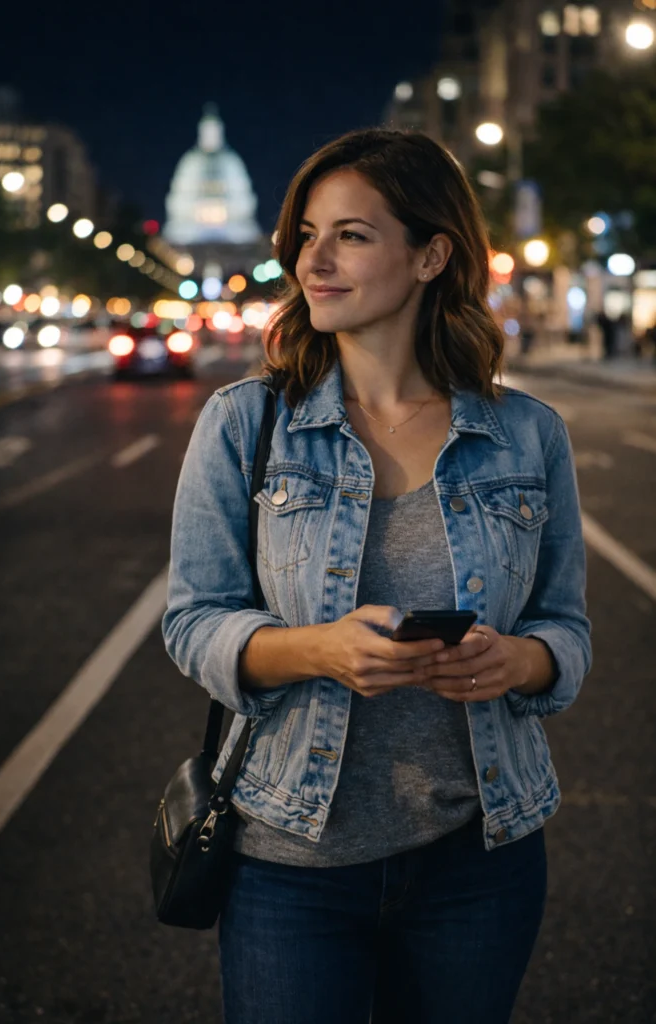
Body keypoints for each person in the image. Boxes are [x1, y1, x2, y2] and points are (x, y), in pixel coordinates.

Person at [163, 128, 591, 1024]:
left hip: (481, 855)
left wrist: (521, 664)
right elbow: (193, 621)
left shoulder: (527, 434)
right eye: (307, 235)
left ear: (432, 253)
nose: (313, 260)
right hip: (290, 862)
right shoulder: (246, 425)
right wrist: (314, 650)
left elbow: (565, 629)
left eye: (351, 235)